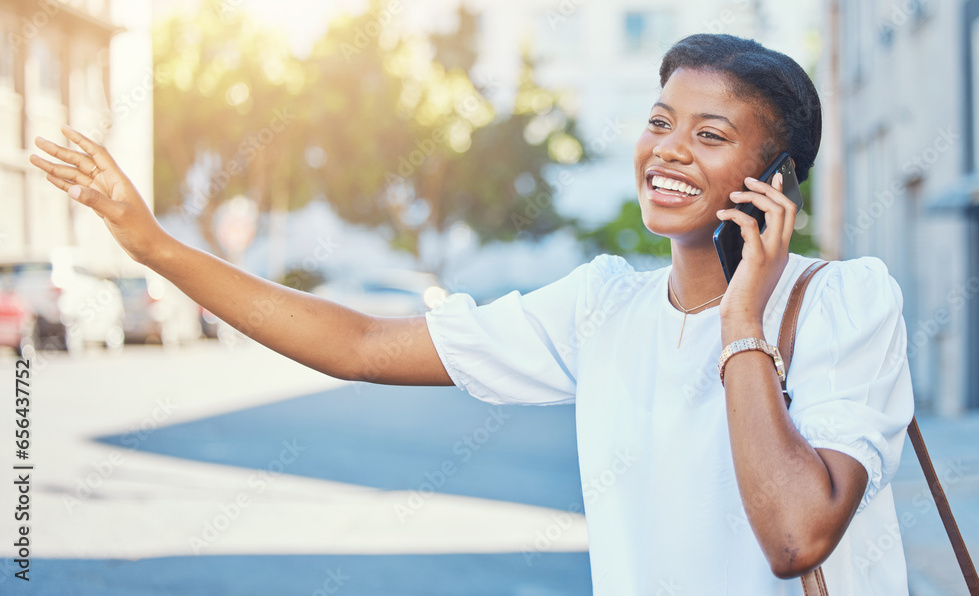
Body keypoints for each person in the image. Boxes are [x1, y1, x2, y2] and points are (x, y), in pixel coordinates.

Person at [30, 33, 913, 595]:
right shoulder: (602, 304)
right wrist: (152, 246)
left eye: (711, 135)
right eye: (659, 120)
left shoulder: (845, 301)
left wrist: (742, 318)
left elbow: (798, 534)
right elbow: (361, 343)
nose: (669, 150)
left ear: (777, 181)